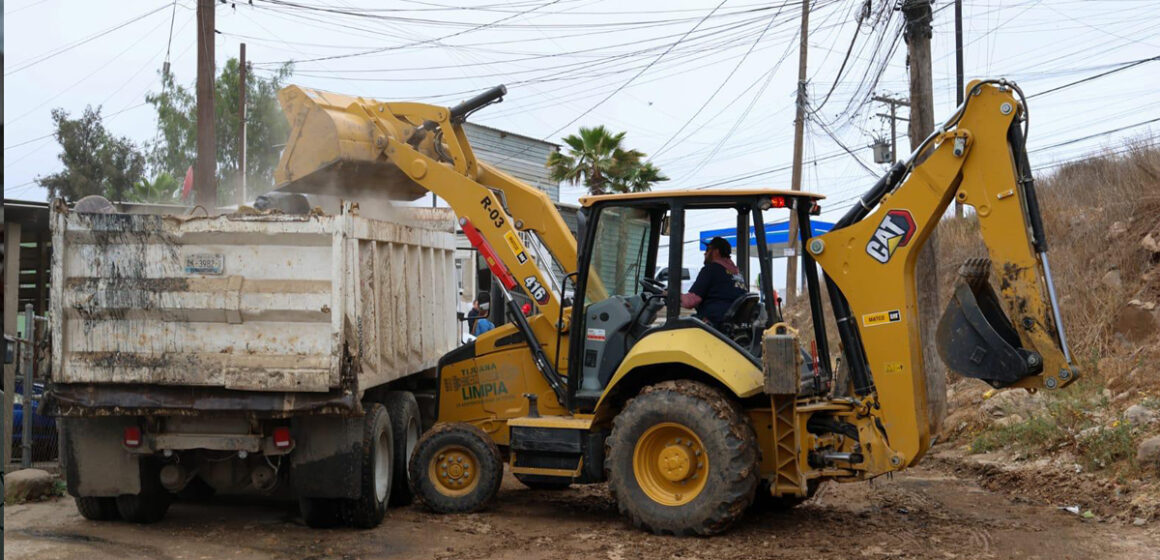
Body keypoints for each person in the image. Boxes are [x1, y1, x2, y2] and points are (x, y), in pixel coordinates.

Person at [680, 237, 747, 327]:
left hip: (714, 325)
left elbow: (691, 301)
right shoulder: (737, 274)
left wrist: (671, 295)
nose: (705, 253)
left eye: (708, 250)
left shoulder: (711, 269)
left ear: (716, 251)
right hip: (730, 326)